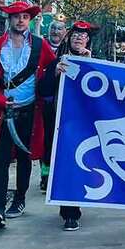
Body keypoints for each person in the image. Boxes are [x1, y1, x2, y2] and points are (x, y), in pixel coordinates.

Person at [0, 1, 56, 228]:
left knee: (24, 157)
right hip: (3, 113)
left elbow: (54, 68)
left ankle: (19, 200)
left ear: (30, 21)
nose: (21, 20)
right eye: (17, 16)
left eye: (25, 17)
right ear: (10, 19)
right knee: (1, 160)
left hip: (31, 112)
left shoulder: (40, 46)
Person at [38, 21, 98, 231]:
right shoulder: (57, 62)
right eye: (75, 35)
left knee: (81, 165)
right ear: (69, 38)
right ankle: (69, 213)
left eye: (82, 36)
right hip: (62, 124)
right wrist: (55, 73)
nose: (78, 38)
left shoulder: (96, 63)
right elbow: (43, 90)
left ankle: (76, 205)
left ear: (88, 40)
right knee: (65, 166)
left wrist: (91, 66)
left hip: (85, 125)